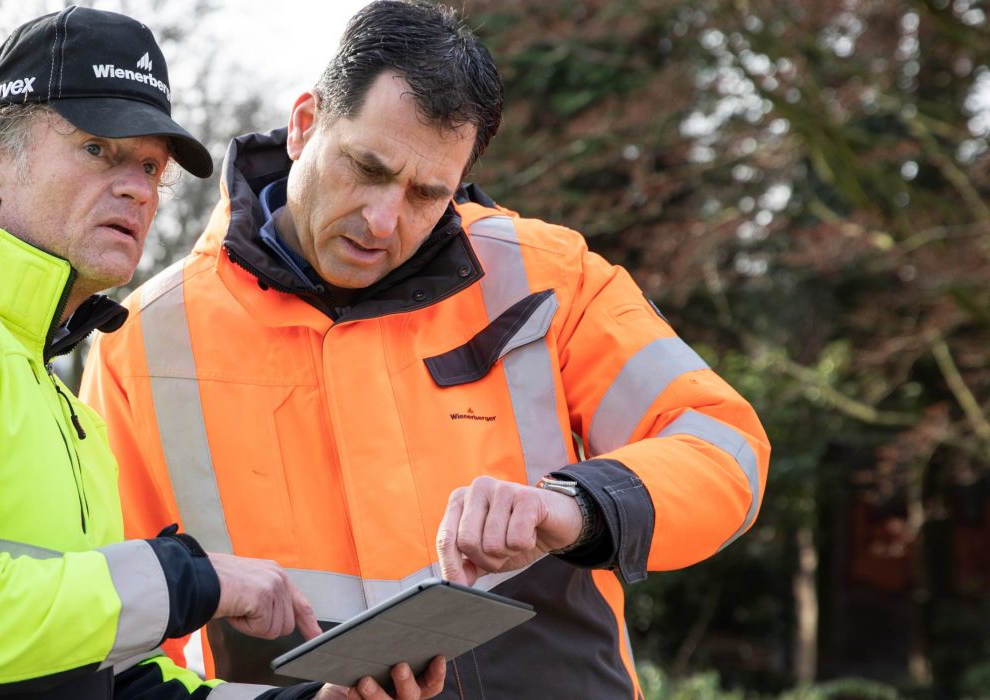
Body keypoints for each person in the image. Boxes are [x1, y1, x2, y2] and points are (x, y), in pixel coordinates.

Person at [0, 7, 445, 699]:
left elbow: (104, 677)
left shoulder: (48, 394)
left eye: (150, 165)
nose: (137, 187)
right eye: (97, 150)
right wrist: (191, 580)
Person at [81, 1, 772, 697]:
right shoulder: (143, 339)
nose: (383, 221)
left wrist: (576, 509)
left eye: (426, 193)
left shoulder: (551, 278)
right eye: (367, 168)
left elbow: (724, 449)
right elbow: (113, 633)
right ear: (304, 125)